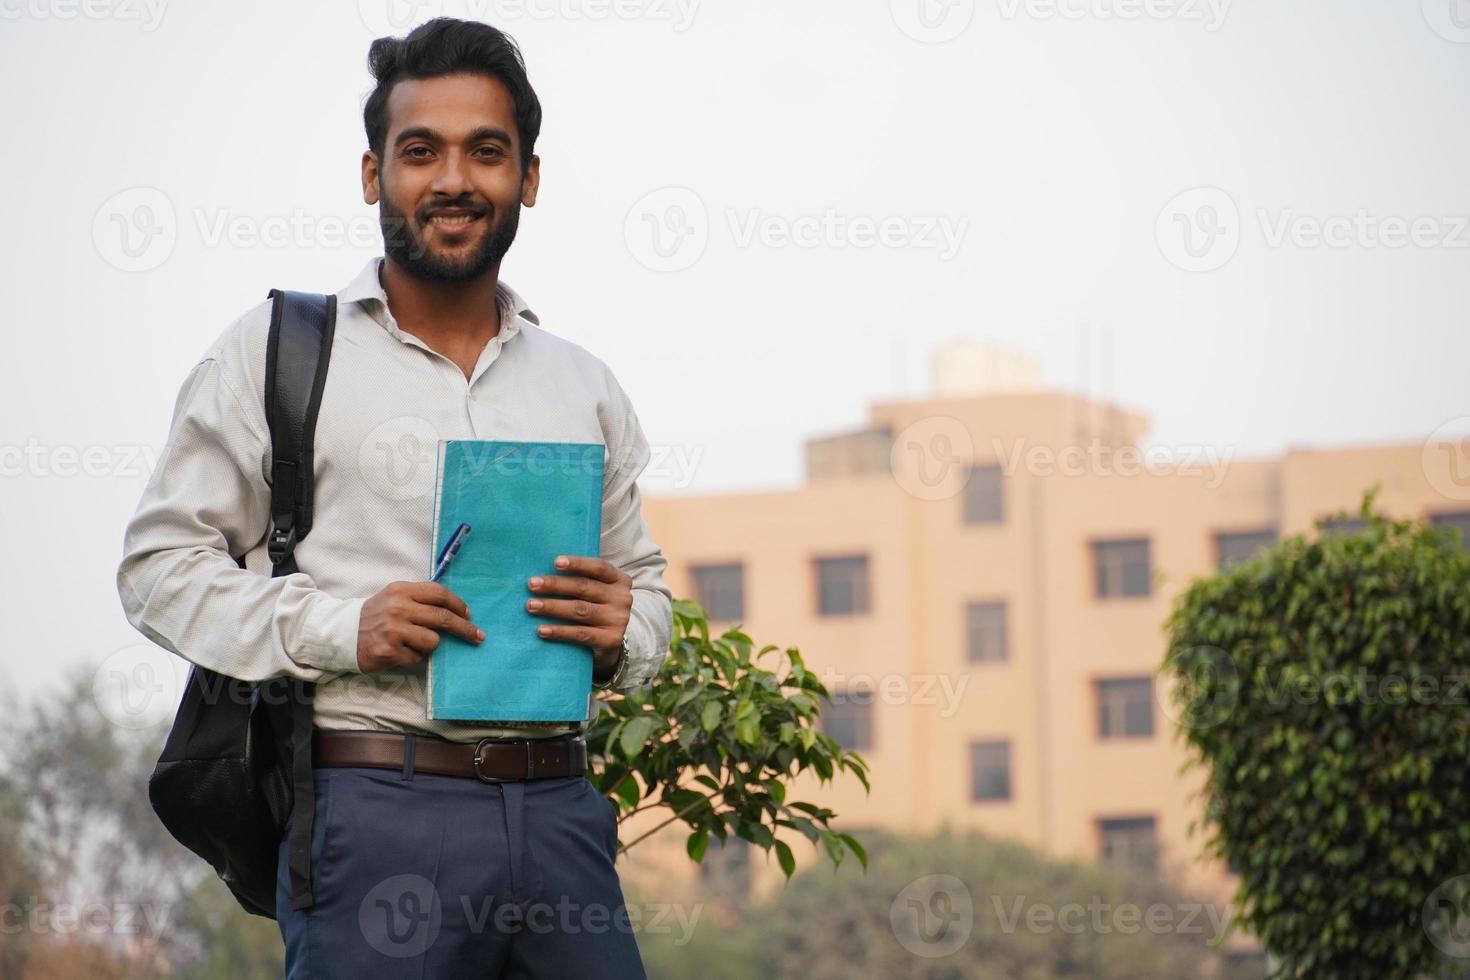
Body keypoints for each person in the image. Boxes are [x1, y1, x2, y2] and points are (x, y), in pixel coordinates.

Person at [116, 17, 669, 978]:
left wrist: (630, 631)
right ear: (374, 174)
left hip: (564, 815)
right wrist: (343, 628)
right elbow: (157, 569)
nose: (453, 179)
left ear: (529, 180)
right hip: (375, 812)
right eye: (420, 152)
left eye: (487, 152)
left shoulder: (584, 385)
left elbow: (649, 590)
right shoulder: (279, 351)